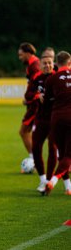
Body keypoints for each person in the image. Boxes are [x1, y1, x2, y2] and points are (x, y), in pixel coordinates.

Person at [44, 51, 71, 195]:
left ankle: (68, 187)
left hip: (57, 119)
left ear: (56, 63)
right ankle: (53, 180)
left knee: (61, 153)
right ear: (69, 63)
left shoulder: (52, 79)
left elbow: (47, 101)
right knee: (68, 155)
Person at [30, 55, 57, 192]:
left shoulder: (57, 77)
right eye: (44, 63)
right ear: (40, 65)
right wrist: (36, 96)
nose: (47, 65)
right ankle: (42, 179)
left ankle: (48, 181)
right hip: (40, 118)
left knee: (52, 149)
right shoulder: (36, 78)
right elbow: (29, 94)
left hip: (54, 118)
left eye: (49, 63)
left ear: (54, 64)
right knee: (35, 148)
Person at [18, 42, 40, 165]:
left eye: (21, 55)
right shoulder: (31, 65)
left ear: (27, 53)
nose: (19, 57)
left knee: (24, 131)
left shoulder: (35, 66)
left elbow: (39, 85)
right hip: (32, 104)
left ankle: (35, 160)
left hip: (35, 105)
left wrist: (30, 99)